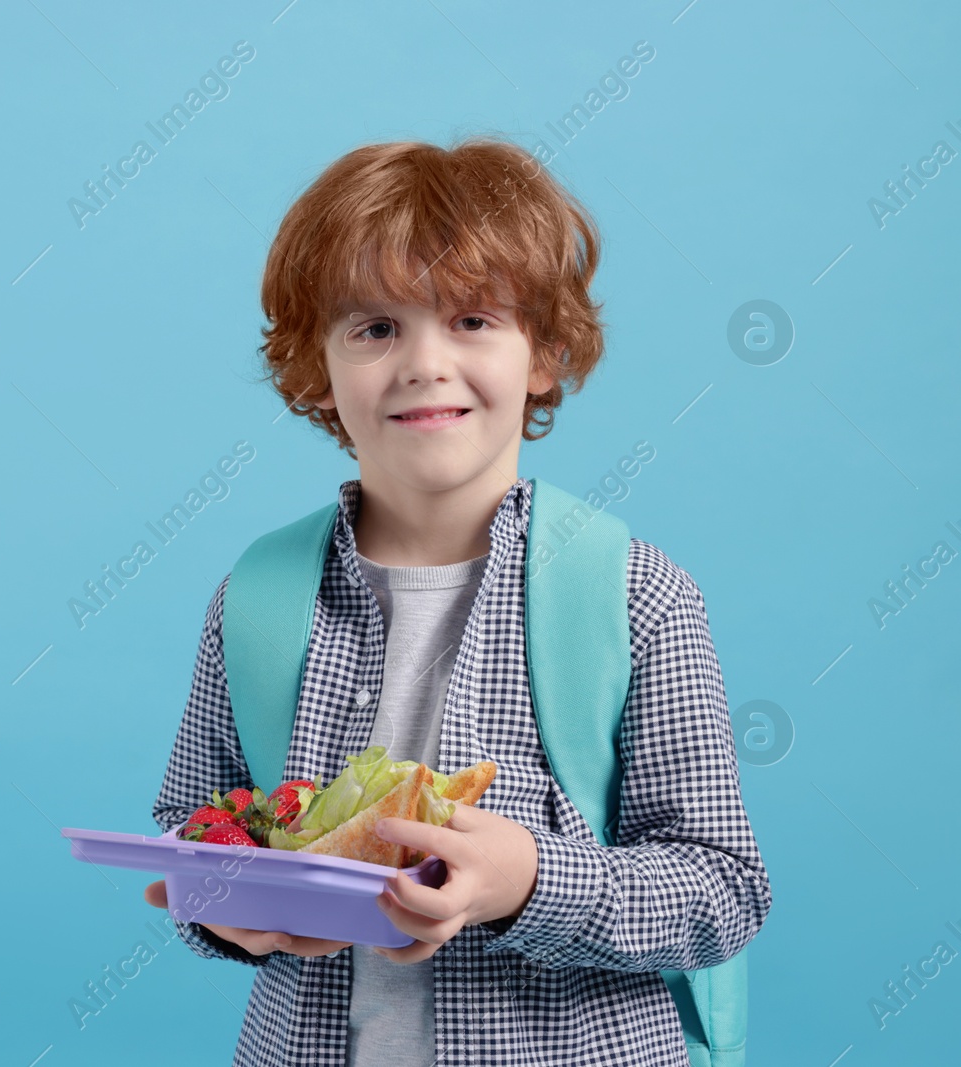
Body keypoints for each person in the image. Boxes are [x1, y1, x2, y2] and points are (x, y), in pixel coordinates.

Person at [143, 137, 770, 1066]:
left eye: (473, 319)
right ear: (318, 367)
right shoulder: (257, 597)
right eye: (375, 328)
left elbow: (721, 889)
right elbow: (193, 830)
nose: (424, 363)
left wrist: (527, 881)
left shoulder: (637, 594)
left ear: (547, 353)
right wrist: (229, 904)